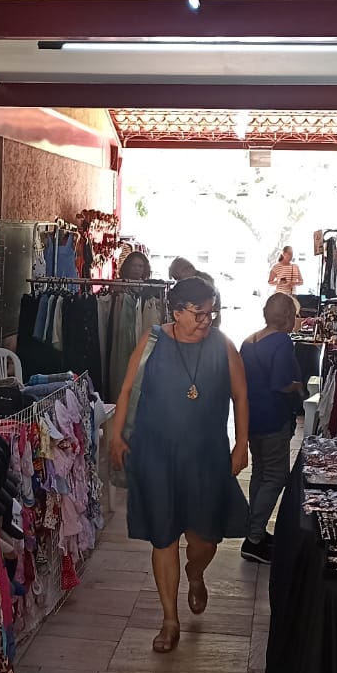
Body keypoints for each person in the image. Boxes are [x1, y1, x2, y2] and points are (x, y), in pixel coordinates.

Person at [109, 277, 249, 653]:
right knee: (164, 536)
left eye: (211, 313)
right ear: (176, 312)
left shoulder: (222, 345)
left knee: (205, 538)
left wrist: (242, 444)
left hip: (206, 457)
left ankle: (195, 571)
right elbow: (127, 389)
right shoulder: (153, 341)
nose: (206, 321)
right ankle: (169, 620)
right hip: (156, 454)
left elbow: (240, 395)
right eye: (198, 314)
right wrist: (117, 434)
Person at [239, 292, 304, 564]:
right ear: (287, 316)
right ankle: (254, 538)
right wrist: (297, 386)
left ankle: (254, 531)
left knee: (261, 472)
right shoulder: (281, 341)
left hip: (252, 416)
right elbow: (280, 383)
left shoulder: (249, 340)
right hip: (273, 416)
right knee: (276, 476)